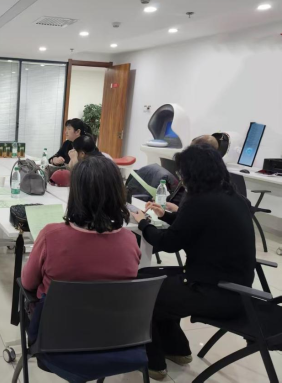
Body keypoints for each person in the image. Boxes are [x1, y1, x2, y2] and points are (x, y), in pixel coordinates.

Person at [130, 144, 256, 380]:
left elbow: (168, 242)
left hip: (215, 293)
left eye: (182, 173)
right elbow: (193, 225)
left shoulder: (199, 201)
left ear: (193, 173)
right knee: (149, 277)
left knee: (142, 288)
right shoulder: (233, 198)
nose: (181, 178)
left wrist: (143, 223)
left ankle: (153, 362)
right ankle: (177, 349)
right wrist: (166, 215)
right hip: (235, 289)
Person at [23, 155, 141, 298]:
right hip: (113, 312)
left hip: (59, 312)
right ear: (118, 193)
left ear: (75, 193)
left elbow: (28, 283)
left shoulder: (51, 236)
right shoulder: (130, 241)